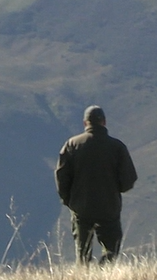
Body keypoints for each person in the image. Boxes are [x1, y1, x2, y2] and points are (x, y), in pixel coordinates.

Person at [55, 105, 137, 264]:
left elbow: (61, 176)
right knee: (112, 249)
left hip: (81, 207)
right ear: (104, 122)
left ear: (85, 123)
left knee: (83, 252)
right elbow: (129, 179)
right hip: (109, 207)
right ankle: (103, 271)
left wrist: (69, 200)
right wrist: (115, 191)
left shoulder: (72, 144)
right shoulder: (117, 147)